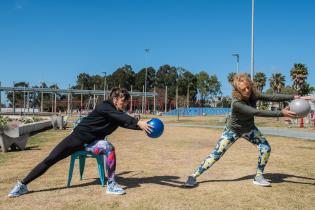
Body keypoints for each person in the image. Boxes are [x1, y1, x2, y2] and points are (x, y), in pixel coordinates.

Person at [8, 87, 152, 197]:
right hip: (75, 139)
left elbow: (126, 123)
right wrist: (138, 121)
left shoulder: (117, 114)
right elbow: (124, 118)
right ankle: (22, 185)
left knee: (109, 147)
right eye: (123, 101)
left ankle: (111, 184)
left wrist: (145, 128)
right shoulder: (105, 107)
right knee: (50, 159)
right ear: (115, 99)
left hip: (92, 144)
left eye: (126, 102)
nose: (125, 104)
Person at [184, 73, 310, 187]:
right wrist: (281, 113)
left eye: (248, 87)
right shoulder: (237, 103)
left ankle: (258, 176)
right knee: (216, 154)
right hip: (232, 131)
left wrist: (292, 96)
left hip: (249, 129)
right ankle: (193, 176)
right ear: (237, 90)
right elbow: (256, 112)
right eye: (243, 89)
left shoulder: (253, 94)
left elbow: (271, 96)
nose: (247, 91)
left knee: (265, 148)